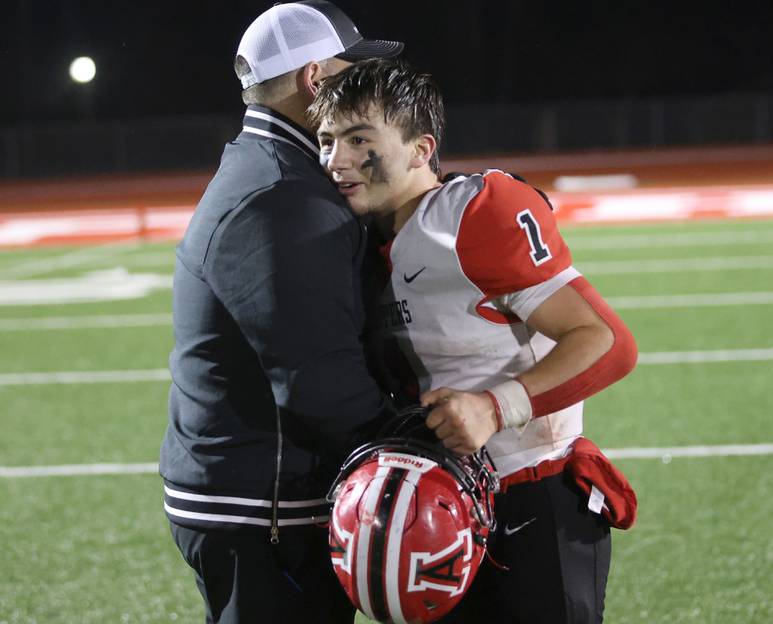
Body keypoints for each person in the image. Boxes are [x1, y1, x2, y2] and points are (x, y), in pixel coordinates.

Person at [309, 59, 639, 623]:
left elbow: (607, 342)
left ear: (420, 148)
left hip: (532, 500)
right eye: (326, 140)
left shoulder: (472, 215)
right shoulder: (361, 237)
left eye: (359, 138)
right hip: (436, 504)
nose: (336, 160)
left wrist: (496, 406)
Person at [158, 4, 403, 623]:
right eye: (356, 69)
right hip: (261, 505)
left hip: (254, 490)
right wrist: (417, 443)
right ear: (315, 79)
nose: (368, 83)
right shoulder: (280, 195)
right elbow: (317, 380)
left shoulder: (278, 172)